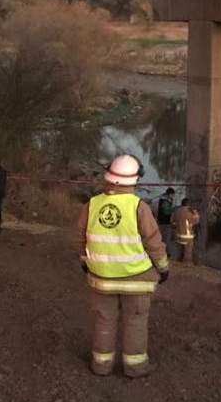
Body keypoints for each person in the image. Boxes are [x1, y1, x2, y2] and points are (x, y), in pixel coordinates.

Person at [77, 154, 169, 378]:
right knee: (135, 322)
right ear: (135, 179)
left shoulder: (93, 205)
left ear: (109, 177)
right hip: (136, 279)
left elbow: (81, 238)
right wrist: (163, 267)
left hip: (102, 278)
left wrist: (85, 261)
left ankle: (101, 365)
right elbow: (153, 241)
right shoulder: (139, 207)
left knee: (104, 320)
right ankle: (135, 367)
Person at [171, 198, 200, 265]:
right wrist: (196, 213)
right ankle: (187, 265)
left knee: (180, 251)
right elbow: (196, 221)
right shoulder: (189, 212)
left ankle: (178, 263)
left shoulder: (176, 211)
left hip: (178, 236)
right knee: (188, 252)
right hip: (187, 236)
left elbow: (172, 222)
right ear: (188, 204)